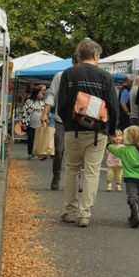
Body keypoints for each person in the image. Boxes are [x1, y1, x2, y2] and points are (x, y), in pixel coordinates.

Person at [57, 38, 119, 227]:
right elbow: (113, 106)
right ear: (95, 55)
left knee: (71, 169)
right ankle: (85, 214)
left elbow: (62, 105)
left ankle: (70, 211)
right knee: (92, 172)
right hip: (97, 132)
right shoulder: (104, 76)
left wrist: (68, 121)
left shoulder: (69, 74)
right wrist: (112, 129)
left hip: (73, 130)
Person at [106, 125, 139, 228]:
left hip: (130, 178)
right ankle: (134, 215)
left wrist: (107, 144)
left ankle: (136, 216)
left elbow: (112, 149)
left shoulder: (125, 151)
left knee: (132, 197)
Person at [42, 56, 78, 190]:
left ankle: (75, 180)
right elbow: (51, 94)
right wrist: (45, 112)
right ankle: (56, 176)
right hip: (61, 119)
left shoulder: (84, 76)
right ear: (74, 62)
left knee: (76, 152)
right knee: (59, 150)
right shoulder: (60, 75)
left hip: (78, 121)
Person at [21, 85, 46, 159]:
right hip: (31, 123)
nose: (42, 95)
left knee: (39, 139)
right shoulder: (29, 101)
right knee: (31, 139)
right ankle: (31, 153)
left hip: (40, 123)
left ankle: (39, 153)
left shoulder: (42, 102)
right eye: (41, 93)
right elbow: (24, 112)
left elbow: (45, 112)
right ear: (36, 94)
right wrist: (24, 122)